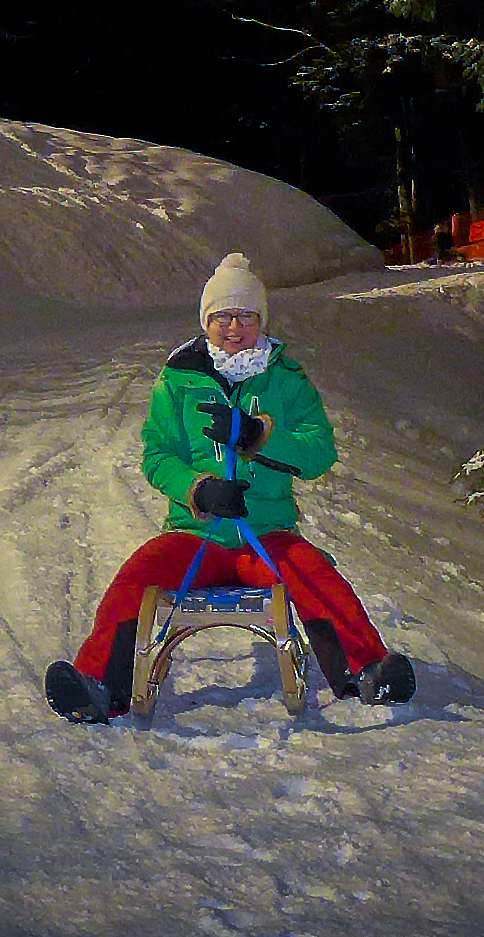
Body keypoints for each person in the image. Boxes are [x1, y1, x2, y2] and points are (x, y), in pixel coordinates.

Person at [45, 252, 416, 723]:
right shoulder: (179, 379)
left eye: (244, 315)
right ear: (207, 321)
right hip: (195, 536)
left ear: (261, 319)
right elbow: (157, 454)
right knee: (137, 576)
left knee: (314, 574)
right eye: (222, 315)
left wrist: (259, 436)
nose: (233, 327)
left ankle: (367, 671)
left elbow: (319, 451)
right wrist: (197, 490)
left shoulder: (287, 378)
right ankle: (96, 684)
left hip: (266, 535)